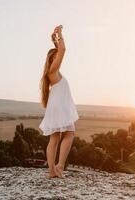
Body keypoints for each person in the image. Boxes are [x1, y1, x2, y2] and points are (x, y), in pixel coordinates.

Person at [39, 25, 79, 178]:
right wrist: (60, 34)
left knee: (54, 138)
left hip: (55, 107)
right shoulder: (53, 70)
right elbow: (62, 50)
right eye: (56, 57)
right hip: (59, 107)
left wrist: (54, 40)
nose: (59, 58)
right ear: (53, 59)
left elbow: (58, 50)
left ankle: (52, 171)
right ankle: (60, 166)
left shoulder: (52, 71)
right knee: (69, 133)